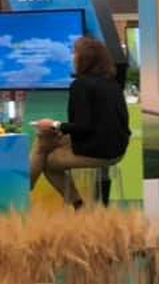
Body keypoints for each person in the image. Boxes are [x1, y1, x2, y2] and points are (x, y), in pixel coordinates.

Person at [30, 37, 131, 206]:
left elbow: (83, 126)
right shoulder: (112, 84)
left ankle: (75, 204)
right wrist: (58, 128)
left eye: (75, 53)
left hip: (99, 150)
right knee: (44, 139)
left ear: (84, 60)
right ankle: (25, 187)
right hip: (117, 147)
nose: (72, 57)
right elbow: (97, 123)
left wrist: (55, 125)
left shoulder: (81, 85)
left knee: (47, 160)